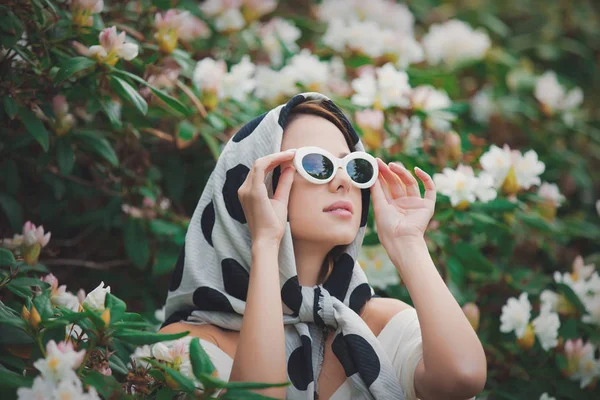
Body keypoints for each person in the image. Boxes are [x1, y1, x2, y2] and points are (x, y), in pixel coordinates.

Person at [159, 92, 486, 399]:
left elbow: (462, 378)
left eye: (355, 167)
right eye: (317, 165)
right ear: (254, 187)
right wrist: (265, 243)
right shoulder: (183, 348)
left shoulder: (381, 322)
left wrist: (408, 244)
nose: (343, 181)